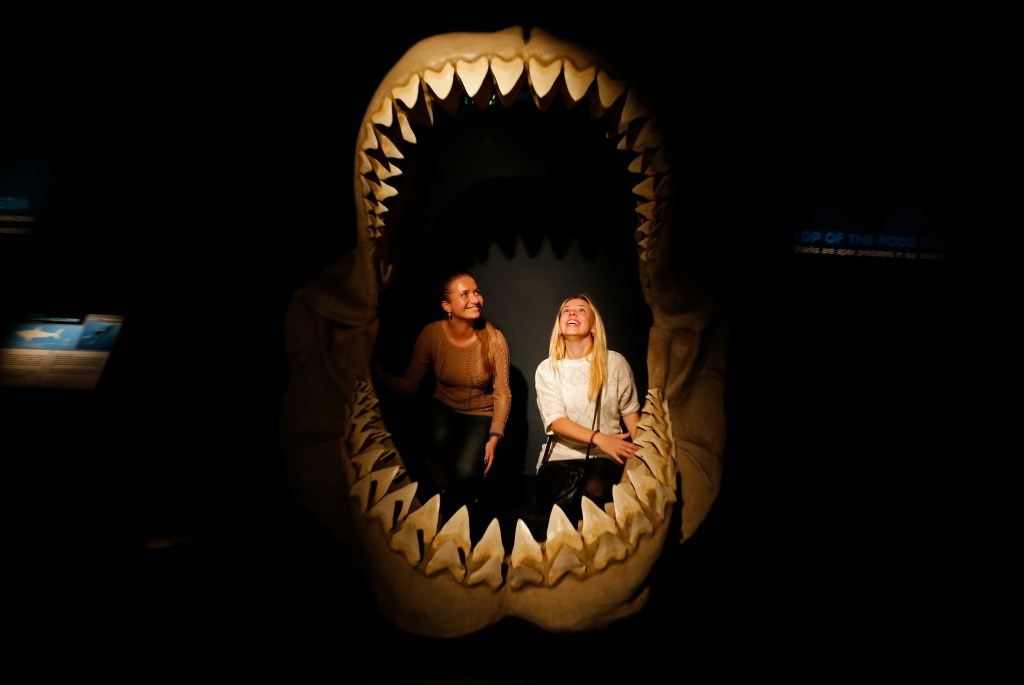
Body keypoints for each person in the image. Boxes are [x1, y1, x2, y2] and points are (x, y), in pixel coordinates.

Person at [381, 270, 511, 519]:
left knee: (466, 471)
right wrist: (380, 378)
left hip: (480, 412)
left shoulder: (494, 339)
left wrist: (495, 435)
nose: (475, 299)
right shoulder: (432, 335)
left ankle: (467, 508)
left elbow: (503, 393)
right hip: (445, 407)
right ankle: (445, 496)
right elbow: (410, 384)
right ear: (447, 305)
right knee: (436, 442)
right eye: (465, 294)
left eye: (477, 292)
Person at [534, 294, 641, 523]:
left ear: (593, 326)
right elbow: (555, 421)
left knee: (595, 493)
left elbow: (630, 412)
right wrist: (598, 437)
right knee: (555, 506)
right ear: (560, 327)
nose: (572, 313)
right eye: (566, 310)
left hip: (606, 454)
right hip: (561, 456)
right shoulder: (547, 369)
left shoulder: (614, 363)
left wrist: (640, 458)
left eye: (581, 310)